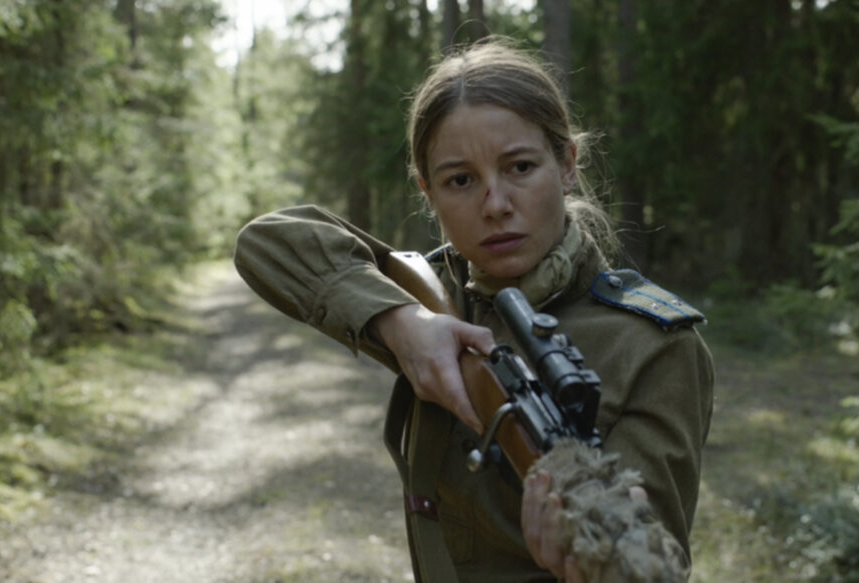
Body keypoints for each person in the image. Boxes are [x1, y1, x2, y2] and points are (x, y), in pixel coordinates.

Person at [234, 38, 713, 583]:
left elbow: (650, 547)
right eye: (460, 180)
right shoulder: (436, 294)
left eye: (520, 167)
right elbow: (266, 243)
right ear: (428, 193)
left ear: (568, 164)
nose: (496, 204)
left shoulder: (654, 342)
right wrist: (404, 325)